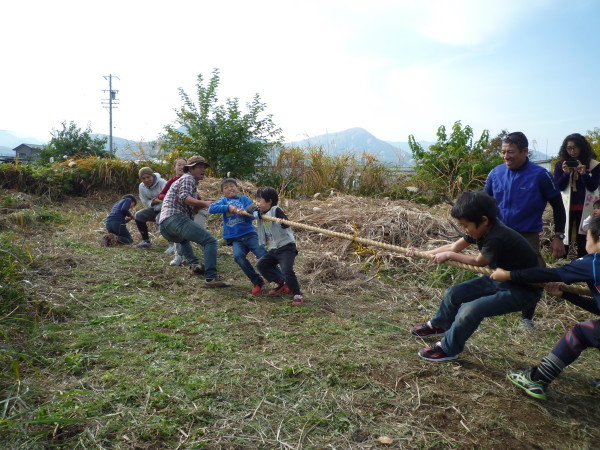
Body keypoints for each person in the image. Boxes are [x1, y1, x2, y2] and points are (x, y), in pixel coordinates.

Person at [409, 190, 542, 362]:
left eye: (465, 225)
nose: (464, 229)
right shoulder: (481, 229)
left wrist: (449, 257)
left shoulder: (497, 236)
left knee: (470, 310)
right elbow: (454, 247)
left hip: (524, 289)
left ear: (484, 220)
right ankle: (439, 325)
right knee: (453, 293)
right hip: (500, 278)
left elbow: (479, 262)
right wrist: (423, 253)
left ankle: (449, 349)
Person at [490, 216, 600, 399]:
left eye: (587, 238)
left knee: (581, 332)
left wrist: (509, 275)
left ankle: (537, 379)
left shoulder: (594, 262)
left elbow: (549, 273)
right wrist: (566, 294)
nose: (586, 242)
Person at [484, 131, 567, 329]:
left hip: (526, 234)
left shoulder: (540, 175)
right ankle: (491, 308)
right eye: (503, 152)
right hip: (499, 233)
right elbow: (483, 203)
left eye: (510, 152)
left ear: (525, 152)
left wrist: (558, 236)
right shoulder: (496, 173)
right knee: (493, 271)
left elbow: (558, 206)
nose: (506, 157)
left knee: (535, 274)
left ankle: (526, 318)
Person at [158, 155, 231, 287]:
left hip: (164, 226)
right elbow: (185, 198)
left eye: (204, 167)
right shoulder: (188, 178)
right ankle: (211, 278)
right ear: (190, 169)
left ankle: (195, 264)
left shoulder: (188, 181)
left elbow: (189, 203)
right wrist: (205, 203)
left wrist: (211, 205)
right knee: (210, 241)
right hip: (174, 218)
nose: (203, 169)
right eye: (199, 167)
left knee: (183, 239)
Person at [209, 178, 284, 294]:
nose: (230, 188)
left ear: (238, 188)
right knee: (238, 257)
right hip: (235, 239)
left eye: (232, 186)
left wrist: (245, 213)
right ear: (222, 192)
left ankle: (281, 279)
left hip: (250, 234)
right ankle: (257, 281)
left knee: (263, 255)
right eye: (226, 187)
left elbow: (253, 215)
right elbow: (211, 208)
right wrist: (228, 208)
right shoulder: (223, 201)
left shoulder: (244, 199)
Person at [247, 186, 304, 305]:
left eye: (260, 200)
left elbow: (286, 223)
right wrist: (255, 211)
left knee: (287, 270)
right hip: (274, 249)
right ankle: (280, 282)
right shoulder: (260, 212)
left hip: (286, 247)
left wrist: (282, 222)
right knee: (262, 264)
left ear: (269, 201)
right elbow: (248, 209)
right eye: (257, 200)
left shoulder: (276, 210)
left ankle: (297, 294)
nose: (257, 203)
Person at [553, 133, 600, 258]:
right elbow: (558, 187)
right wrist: (566, 174)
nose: (572, 151)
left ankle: (584, 266)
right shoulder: (560, 165)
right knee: (564, 237)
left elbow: (593, 186)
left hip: (587, 208)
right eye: (569, 148)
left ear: (582, 148)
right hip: (566, 207)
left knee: (584, 238)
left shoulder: (594, 165)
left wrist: (584, 173)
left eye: (575, 147)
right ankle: (561, 264)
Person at [133, 167, 167, 249]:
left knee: (160, 219)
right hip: (154, 208)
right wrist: (152, 202)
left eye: (148, 177)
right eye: (143, 178)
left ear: (152, 176)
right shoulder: (141, 186)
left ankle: (173, 243)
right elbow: (144, 200)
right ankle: (146, 241)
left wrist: (160, 201)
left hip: (166, 209)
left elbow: (170, 197)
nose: (146, 180)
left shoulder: (162, 183)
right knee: (138, 215)